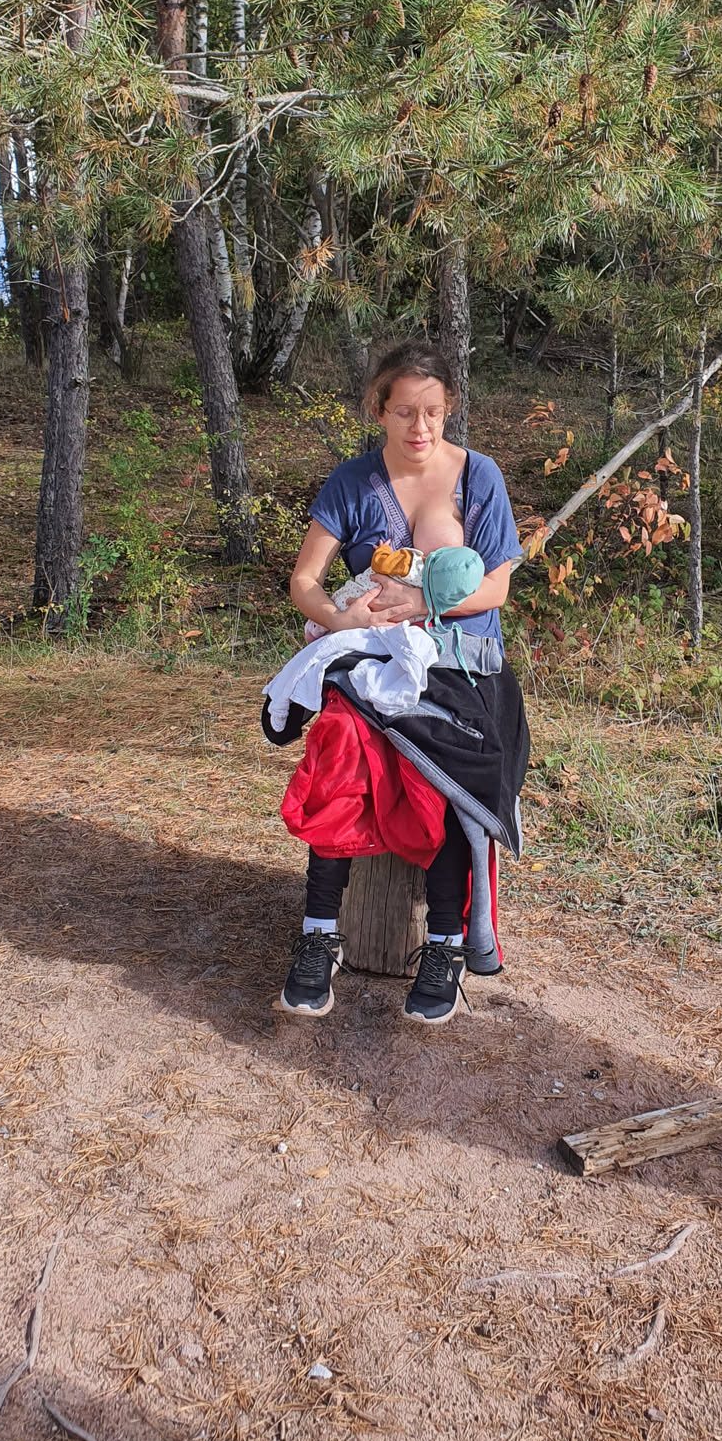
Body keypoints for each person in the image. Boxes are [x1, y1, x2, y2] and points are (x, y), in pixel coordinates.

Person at [269, 338, 529, 1025]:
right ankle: (319, 933)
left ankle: (445, 942)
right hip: (371, 661)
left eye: (433, 412)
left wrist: (422, 602)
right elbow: (305, 580)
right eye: (405, 411)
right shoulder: (353, 482)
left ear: (450, 409)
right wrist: (339, 618)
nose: (420, 427)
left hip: (464, 665)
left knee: (442, 771)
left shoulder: (480, 477)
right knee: (339, 749)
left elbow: (496, 586)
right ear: (379, 410)